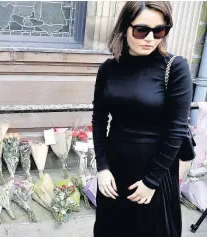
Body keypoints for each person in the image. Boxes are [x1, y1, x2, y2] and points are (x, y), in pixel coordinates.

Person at [92, 2, 192, 237]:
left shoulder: (175, 67)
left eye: (159, 31)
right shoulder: (108, 68)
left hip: (155, 171)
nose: (150, 38)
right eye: (141, 30)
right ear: (125, 28)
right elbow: (99, 120)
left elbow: (176, 130)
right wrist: (102, 168)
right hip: (114, 171)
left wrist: (151, 181)